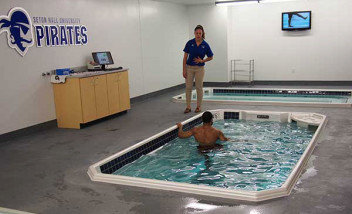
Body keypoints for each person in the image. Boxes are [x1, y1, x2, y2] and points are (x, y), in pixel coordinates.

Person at [182, 25, 213, 113]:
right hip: (189, 68)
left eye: (200, 33)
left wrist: (202, 60)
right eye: (197, 33)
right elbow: (184, 58)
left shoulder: (205, 45)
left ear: (202, 33)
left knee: (199, 87)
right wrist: (184, 70)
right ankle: (188, 107)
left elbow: (211, 57)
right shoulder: (189, 43)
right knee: (188, 87)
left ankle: (198, 107)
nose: (198, 35)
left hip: (200, 69)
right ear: (194, 33)